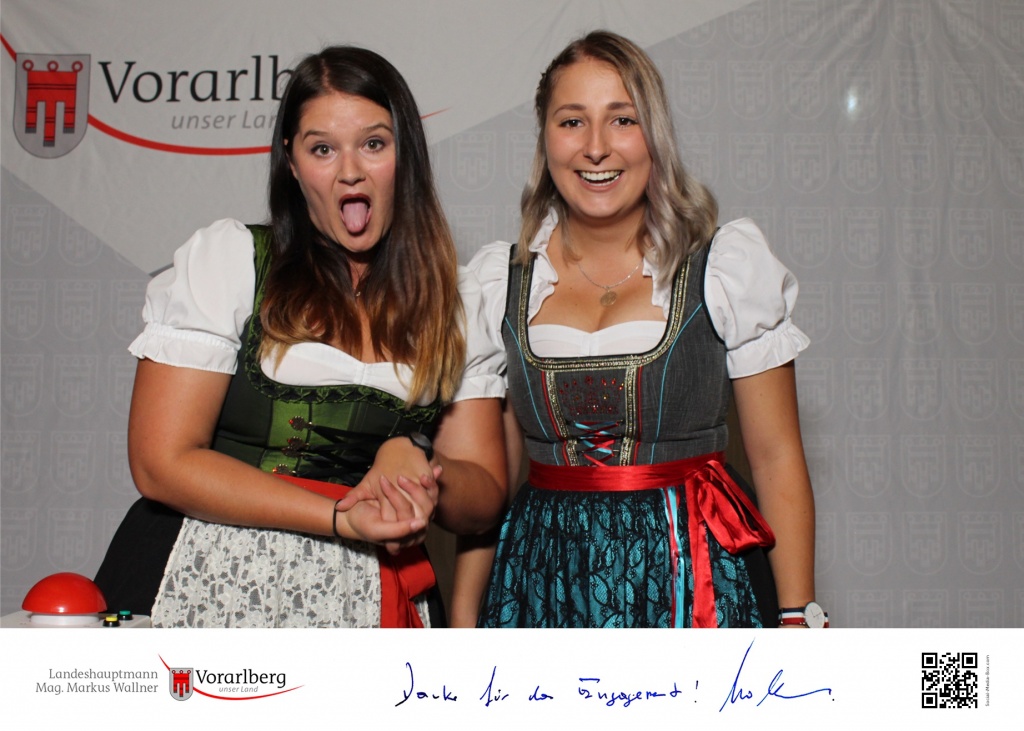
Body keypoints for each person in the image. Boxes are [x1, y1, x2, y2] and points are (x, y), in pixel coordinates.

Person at [93, 46, 507, 628]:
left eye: (374, 143)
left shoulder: (455, 301)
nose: (350, 171)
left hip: (369, 599)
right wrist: (341, 518)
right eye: (322, 149)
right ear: (291, 162)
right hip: (206, 579)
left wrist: (420, 463)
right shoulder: (233, 262)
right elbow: (162, 462)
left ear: (406, 154)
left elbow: (483, 494)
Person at [459, 31, 820, 628]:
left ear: (654, 134)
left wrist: (797, 616)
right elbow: (490, 486)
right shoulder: (500, 281)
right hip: (543, 578)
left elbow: (776, 457)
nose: (596, 147)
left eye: (622, 120)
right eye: (572, 122)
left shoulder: (723, 268)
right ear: (545, 139)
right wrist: (462, 627)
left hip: (693, 572)